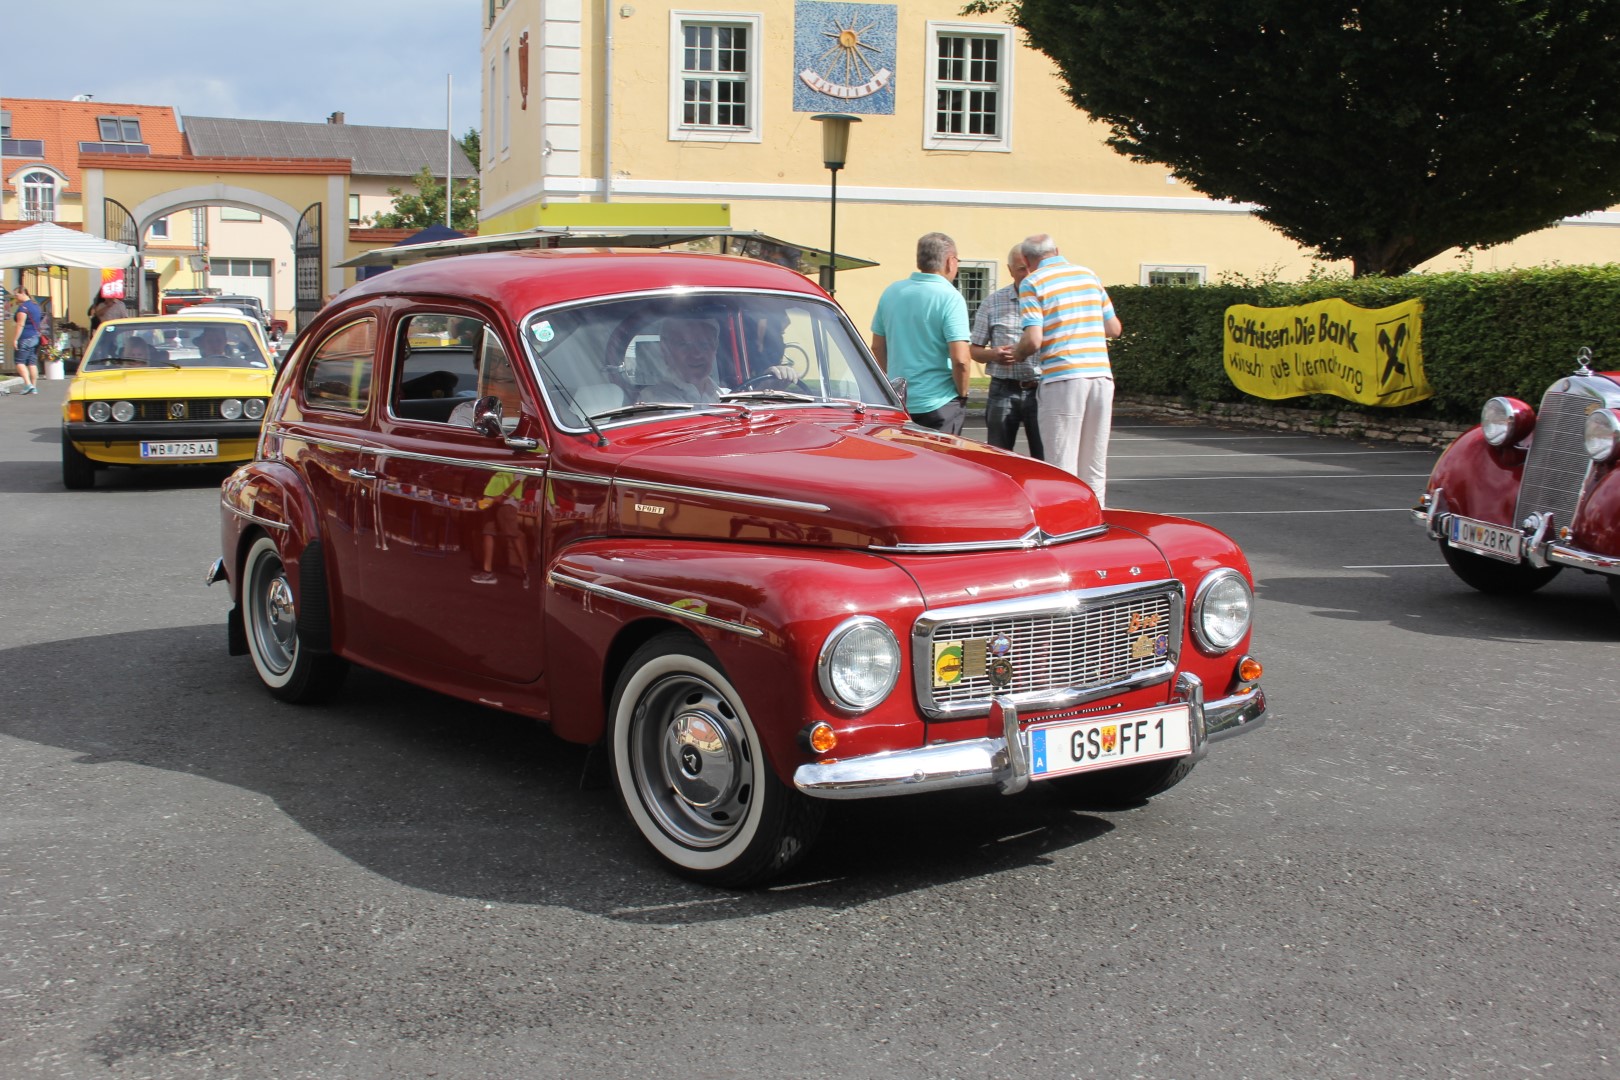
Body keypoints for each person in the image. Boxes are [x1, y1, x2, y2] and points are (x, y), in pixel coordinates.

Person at [1015, 233, 1123, 506]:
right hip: (1100, 374)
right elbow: (1114, 328)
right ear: (1057, 251)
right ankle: (1097, 516)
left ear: (1026, 261)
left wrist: (1017, 354)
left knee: (1061, 461)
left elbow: (1033, 339)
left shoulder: (1033, 282)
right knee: (1095, 461)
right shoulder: (1088, 275)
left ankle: (1067, 522)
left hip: (1063, 375)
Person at [869, 232, 972, 433]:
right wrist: (963, 393)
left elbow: (877, 346)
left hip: (900, 402)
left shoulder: (892, 292)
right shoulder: (950, 297)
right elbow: (961, 359)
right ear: (950, 262)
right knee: (943, 462)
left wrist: (891, 384)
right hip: (939, 402)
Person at [970, 245, 1043, 459]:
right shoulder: (993, 302)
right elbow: (974, 350)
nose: (1028, 274)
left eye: (1031, 268)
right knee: (998, 456)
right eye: (1021, 269)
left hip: (1041, 389)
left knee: (1045, 457)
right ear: (1010, 270)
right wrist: (994, 355)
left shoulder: (1049, 300)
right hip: (1004, 389)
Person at [640, 316, 725, 403]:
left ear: (715, 349)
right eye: (684, 344)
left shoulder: (729, 398)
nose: (696, 354)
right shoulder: (652, 400)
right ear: (665, 350)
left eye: (704, 344)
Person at [8, 285, 44, 395]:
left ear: (23, 293)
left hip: (25, 337)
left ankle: (28, 384)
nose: (16, 297)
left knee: (19, 362)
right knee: (32, 363)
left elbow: (20, 324)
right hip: (36, 337)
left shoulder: (23, 308)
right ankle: (34, 387)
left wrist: (15, 339)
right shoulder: (36, 306)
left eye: (16, 295)